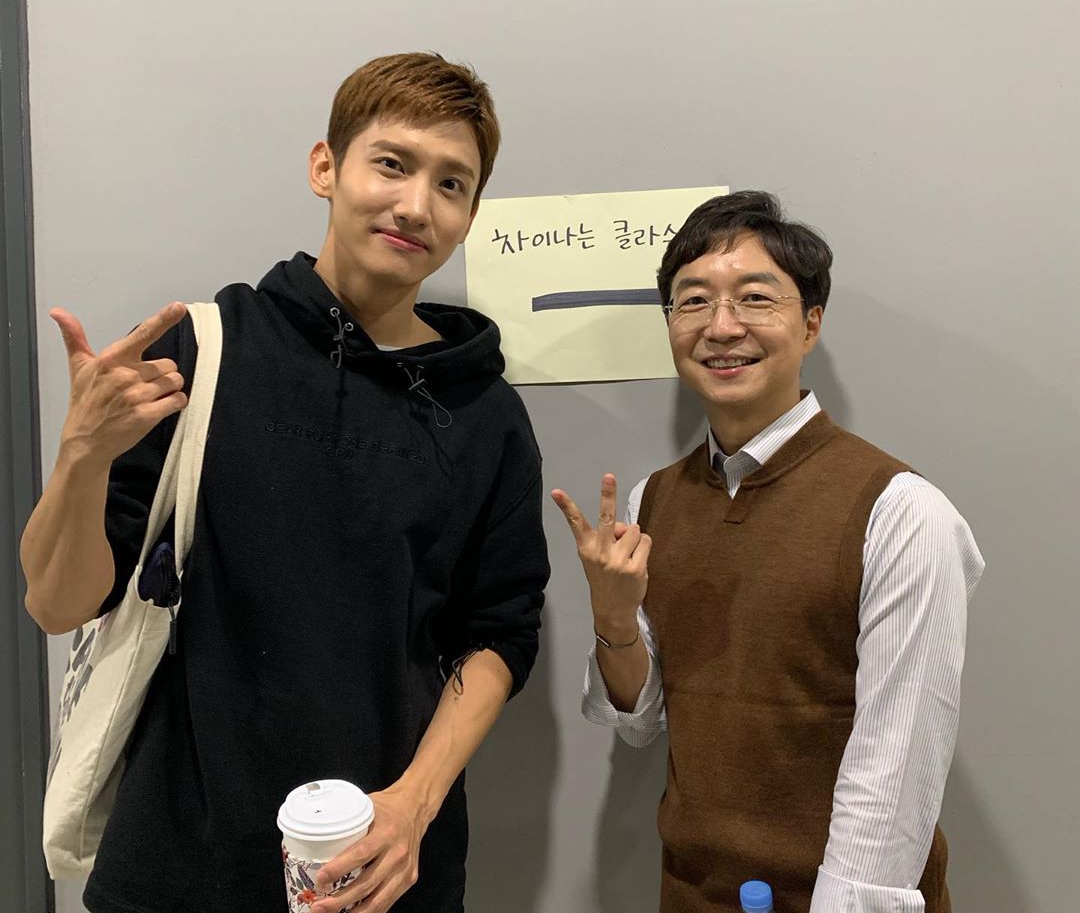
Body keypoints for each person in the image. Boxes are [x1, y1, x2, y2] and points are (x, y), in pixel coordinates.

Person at [21, 52, 550, 913]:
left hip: (384, 865)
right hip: (179, 864)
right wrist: (80, 456)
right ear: (325, 167)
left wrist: (413, 807)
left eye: (452, 184)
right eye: (392, 163)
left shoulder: (485, 412)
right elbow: (56, 604)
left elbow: (500, 632)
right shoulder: (202, 353)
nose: (417, 205)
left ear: (470, 213)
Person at [553, 191, 983, 913]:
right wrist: (613, 618)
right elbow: (639, 722)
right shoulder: (653, 501)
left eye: (755, 298)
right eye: (694, 301)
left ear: (811, 323)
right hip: (690, 890)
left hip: (841, 899)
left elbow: (899, 764)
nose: (722, 327)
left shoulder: (901, 510)